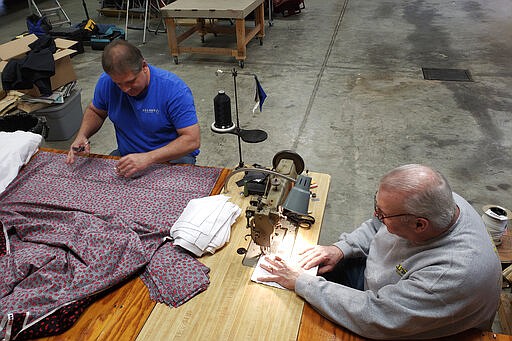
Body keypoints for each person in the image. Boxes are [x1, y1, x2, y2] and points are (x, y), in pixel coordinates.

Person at [258, 164, 501, 339]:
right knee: (308, 275)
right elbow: (377, 226)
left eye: (383, 213)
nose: (377, 215)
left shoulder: (450, 273)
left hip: (406, 322)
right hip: (385, 288)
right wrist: (341, 249)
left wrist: (301, 282)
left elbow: (377, 316)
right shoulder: (439, 202)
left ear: (419, 224)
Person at [66, 40, 200, 177]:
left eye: (131, 81)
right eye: (119, 84)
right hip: (128, 155)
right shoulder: (107, 82)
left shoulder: (174, 90)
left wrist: (148, 158)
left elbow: (192, 140)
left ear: (144, 66)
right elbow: (96, 111)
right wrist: (82, 135)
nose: (125, 89)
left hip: (172, 158)